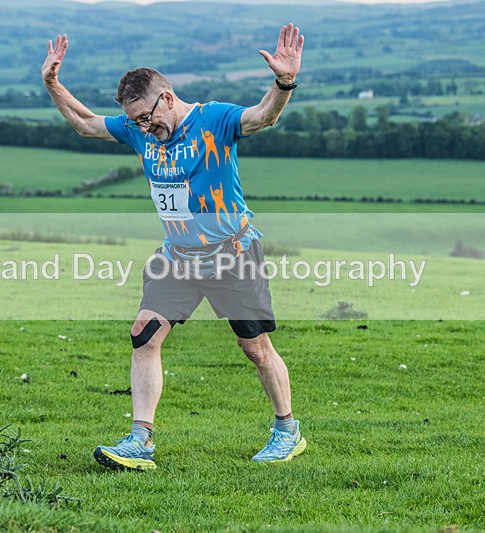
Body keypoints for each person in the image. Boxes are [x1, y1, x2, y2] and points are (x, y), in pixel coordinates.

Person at [42, 23, 306, 470]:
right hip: (178, 257)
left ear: (167, 97)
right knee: (144, 334)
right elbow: (86, 124)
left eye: (148, 116)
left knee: (255, 348)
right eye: (136, 122)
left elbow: (264, 116)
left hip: (232, 252)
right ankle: (139, 441)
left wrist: (283, 82)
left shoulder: (215, 119)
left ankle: (287, 431)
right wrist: (52, 84)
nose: (145, 127)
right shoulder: (138, 130)